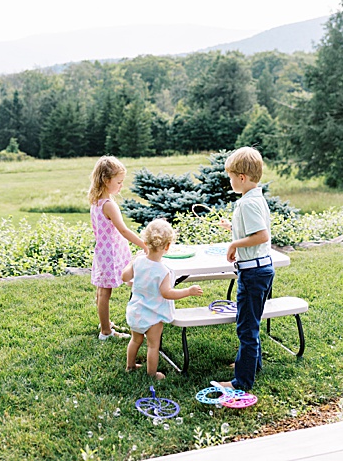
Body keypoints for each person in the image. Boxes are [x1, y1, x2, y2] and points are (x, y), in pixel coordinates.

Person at [215, 146, 273, 392]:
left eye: (231, 177)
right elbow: (252, 230)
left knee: (246, 327)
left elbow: (261, 235)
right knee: (250, 321)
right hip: (261, 270)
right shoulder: (255, 198)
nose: (229, 181)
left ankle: (242, 382)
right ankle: (251, 364)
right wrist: (233, 227)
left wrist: (234, 243)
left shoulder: (247, 204)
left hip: (253, 274)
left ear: (241, 177)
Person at [122, 219, 203, 379]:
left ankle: (130, 366)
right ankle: (152, 374)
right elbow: (167, 293)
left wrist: (133, 260)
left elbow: (124, 276)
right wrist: (188, 291)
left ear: (145, 242)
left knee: (135, 340)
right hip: (153, 315)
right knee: (153, 345)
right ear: (167, 247)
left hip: (136, 311)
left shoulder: (138, 261)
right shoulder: (163, 270)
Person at [88, 156, 147, 341]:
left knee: (101, 291)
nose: (121, 186)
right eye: (119, 182)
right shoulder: (108, 205)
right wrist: (144, 245)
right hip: (110, 254)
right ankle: (106, 332)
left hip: (103, 252)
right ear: (106, 180)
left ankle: (105, 322)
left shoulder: (96, 201)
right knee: (105, 292)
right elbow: (123, 230)